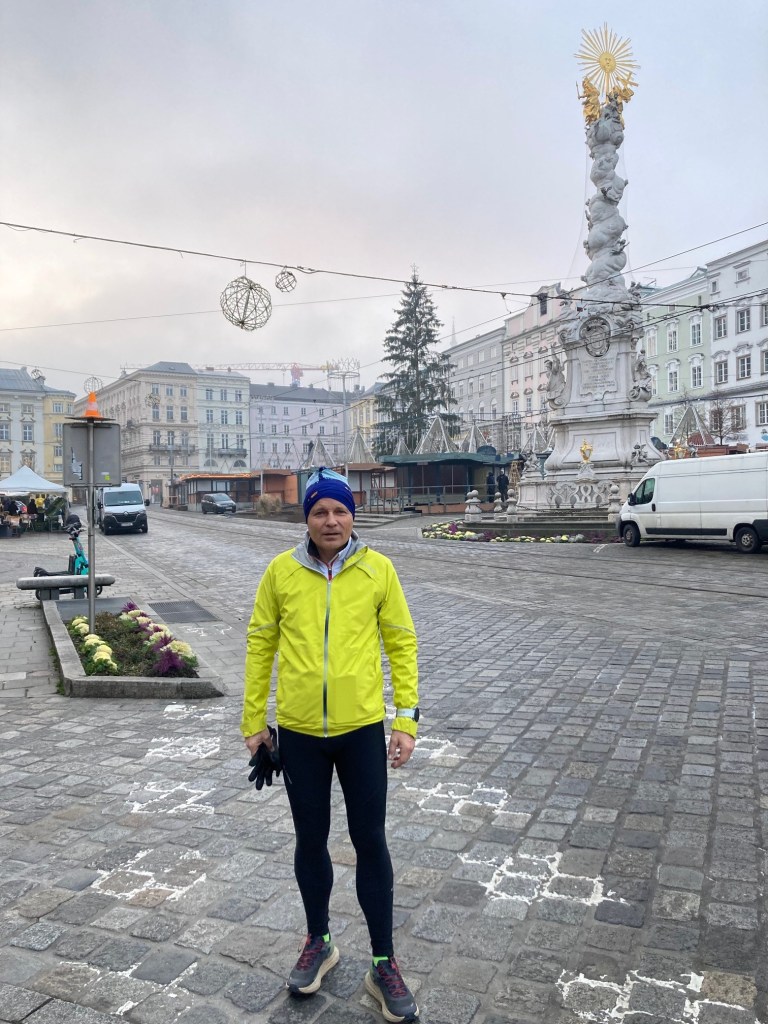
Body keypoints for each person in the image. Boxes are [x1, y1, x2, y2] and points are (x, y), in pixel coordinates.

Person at [241, 467, 420, 1022]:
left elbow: (402, 643)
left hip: (361, 729)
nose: (331, 520)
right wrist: (254, 721)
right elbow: (260, 644)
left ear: (352, 515)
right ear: (307, 519)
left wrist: (406, 720)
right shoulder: (281, 572)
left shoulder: (378, 570)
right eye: (320, 511)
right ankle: (318, 941)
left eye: (340, 510)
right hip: (299, 734)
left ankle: (383, 962)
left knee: (370, 840)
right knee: (310, 839)